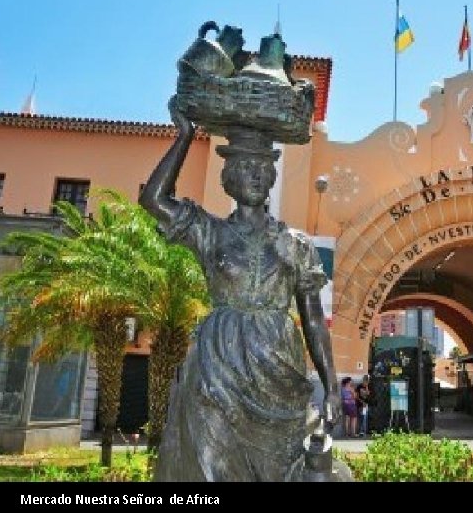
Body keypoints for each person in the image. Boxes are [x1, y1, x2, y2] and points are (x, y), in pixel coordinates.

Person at [141, 97, 341, 481]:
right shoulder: (209, 231)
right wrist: (185, 136)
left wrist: (332, 388)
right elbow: (154, 200)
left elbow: (313, 320)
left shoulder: (296, 243)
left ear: (271, 178)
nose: (255, 174)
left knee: (282, 468)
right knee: (209, 465)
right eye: (245, 166)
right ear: (228, 177)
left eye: (263, 167)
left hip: (278, 372)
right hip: (218, 366)